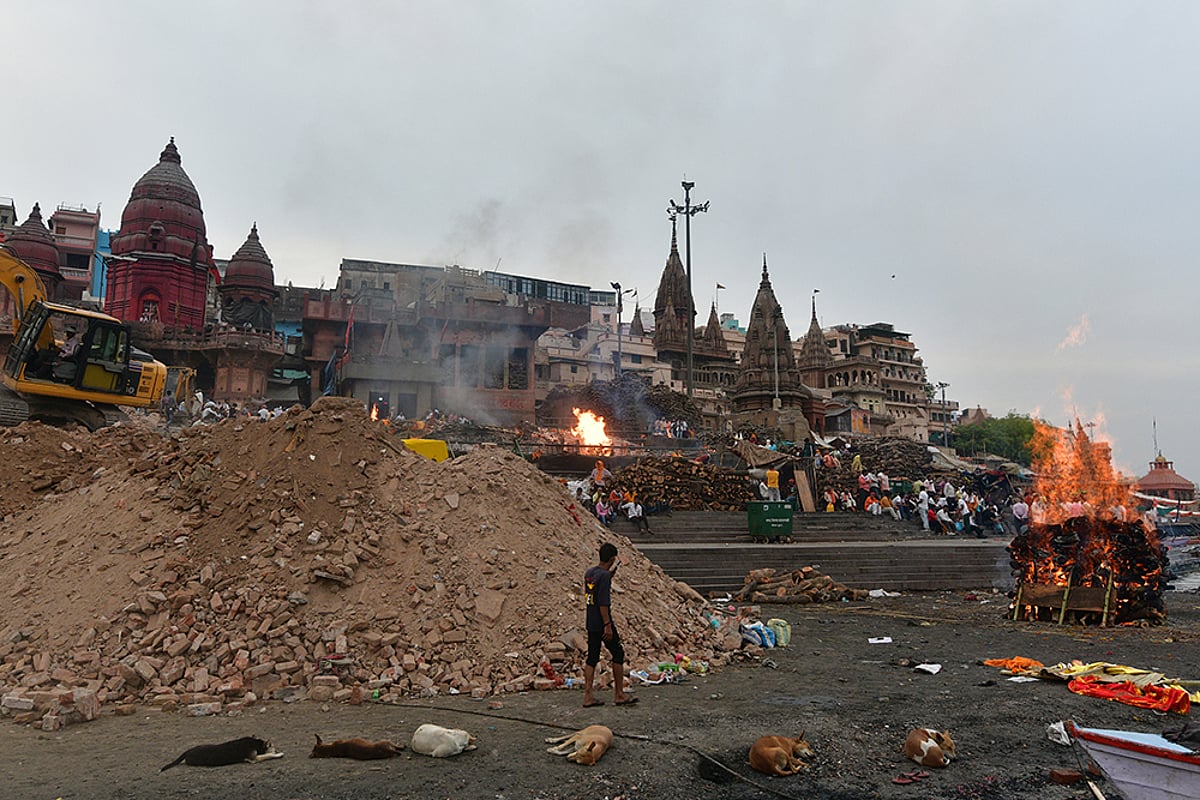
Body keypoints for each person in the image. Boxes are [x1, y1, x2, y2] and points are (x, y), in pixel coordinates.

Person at [582, 543, 636, 707]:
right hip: (602, 622)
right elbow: (603, 603)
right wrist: (607, 625)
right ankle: (619, 694)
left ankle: (588, 696)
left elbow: (594, 589)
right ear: (612, 559)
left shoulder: (590, 573)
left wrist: (609, 576)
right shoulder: (604, 577)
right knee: (618, 654)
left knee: (592, 658)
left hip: (591, 621)